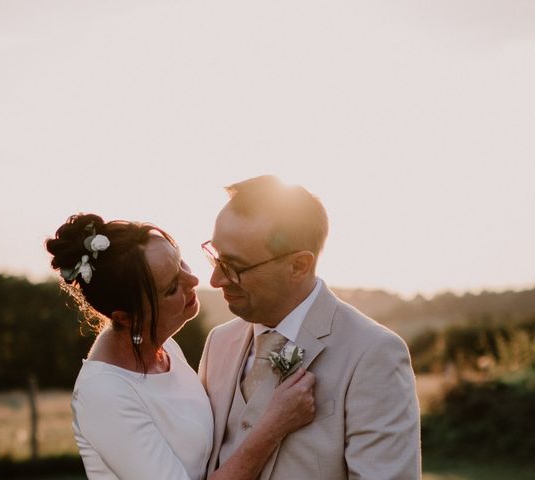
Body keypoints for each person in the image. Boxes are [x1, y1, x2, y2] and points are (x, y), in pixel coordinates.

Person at [45, 213, 316, 480]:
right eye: (173, 287)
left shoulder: (166, 350)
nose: (194, 280)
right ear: (126, 318)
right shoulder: (104, 393)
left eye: (181, 262)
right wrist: (273, 426)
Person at [199, 176, 421, 480]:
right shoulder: (218, 343)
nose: (216, 281)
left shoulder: (373, 353)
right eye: (216, 258)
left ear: (299, 266)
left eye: (235, 267)